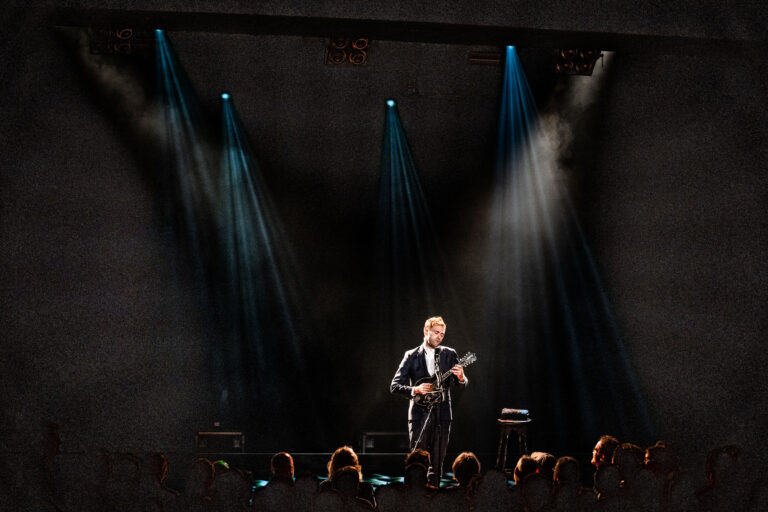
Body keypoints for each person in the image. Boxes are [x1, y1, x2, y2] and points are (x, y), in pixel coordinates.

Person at [390, 316, 468, 487]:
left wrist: (462, 378)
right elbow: (394, 386)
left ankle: (435, 497)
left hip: (442, 415)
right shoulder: (411, 355)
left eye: (442, 334)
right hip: (419, 415)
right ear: (426, 331)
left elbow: (460, 386)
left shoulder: (449, 354)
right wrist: (414, 390)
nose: (440, 337)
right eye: (436, 333)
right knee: (417, 461)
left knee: (438, 462)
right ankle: (415, 496)